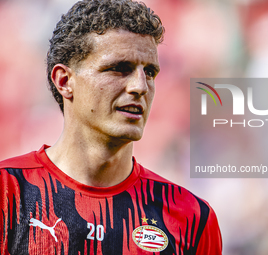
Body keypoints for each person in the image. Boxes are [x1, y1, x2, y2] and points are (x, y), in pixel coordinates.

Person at [0, 0, 222, 254]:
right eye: (119, 69)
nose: (140, 87)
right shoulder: (8, 192)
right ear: (64, 81)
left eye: (149, 72)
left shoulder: (190, 216)